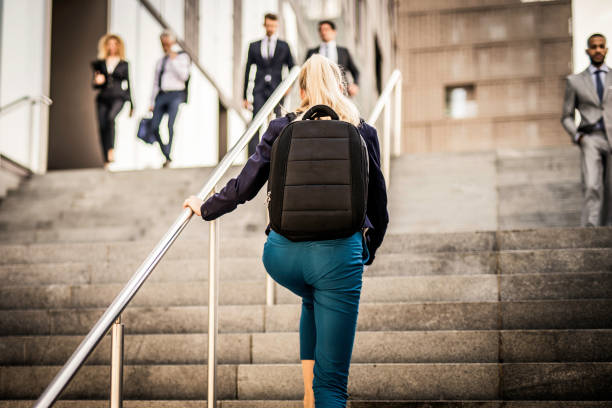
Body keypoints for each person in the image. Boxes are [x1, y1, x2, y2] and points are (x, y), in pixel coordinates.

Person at [183, 54, 389, 408]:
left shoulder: (281, 128)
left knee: (314, 297)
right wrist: (368, 248)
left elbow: (246, 184)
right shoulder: (362, 130)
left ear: (302, 88)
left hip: (281, 255)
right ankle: (320, 395)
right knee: (334, 387)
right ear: (340, 85)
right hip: (338, 256)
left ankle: (308, 396)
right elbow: (378, 204)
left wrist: (207, 207)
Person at [562, 33, 612, 226]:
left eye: (601, 46)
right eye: (594, 47)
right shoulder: (574, 81)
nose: (598, 50)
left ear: (606, 49)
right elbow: (566, 116)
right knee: (592, 185)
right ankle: (591, 230)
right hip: (590, 137)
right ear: (587, 50)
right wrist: (578, 137)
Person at [243, 13, 295, 156]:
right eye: (268, 25)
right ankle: (253, 155)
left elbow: (293, 68)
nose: (271, 28)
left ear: (277, 26)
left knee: (278, 120)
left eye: (273, 25)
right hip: (258, 89)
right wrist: (245, 95)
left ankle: (279, 153)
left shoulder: (284, 46)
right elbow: (247, 71)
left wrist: (288, 86)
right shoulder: (254, 46)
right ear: (264, 25)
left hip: (277, 89)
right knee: (256, 121)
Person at [149, 30, 191, 167]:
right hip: (162, 95)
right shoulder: (160, 62)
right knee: (154, 126)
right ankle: (166, 153)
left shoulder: (182, 57)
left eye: (167, 43)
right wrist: (151, 101)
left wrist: (173, 59)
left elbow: (184, 76)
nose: (165, 46)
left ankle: (168, 154)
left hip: (176, 94)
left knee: (170, 125)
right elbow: (155, 82)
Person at [92, 34, 133, 169]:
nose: (112, 47)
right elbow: (95, 85)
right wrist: (98, 82)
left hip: (118, 97)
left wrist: (131, 103)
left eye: (115, 44)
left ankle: (111, 149)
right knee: (102, 126)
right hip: (103, 98)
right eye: (110, 44)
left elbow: (129, 84)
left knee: (111, 119)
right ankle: (106, 160)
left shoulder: (124, 64)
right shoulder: (100, 63)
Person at [305, 20, 359, 98]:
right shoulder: (312, 52)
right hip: (319, 92)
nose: (323, 32)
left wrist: (355, 85)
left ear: (334, 32)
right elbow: (305, 73)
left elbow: (355, 71)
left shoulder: (344, 52)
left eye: (326, 29)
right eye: (320, 30)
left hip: (340, 92)